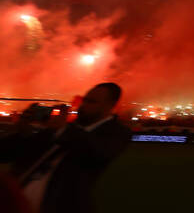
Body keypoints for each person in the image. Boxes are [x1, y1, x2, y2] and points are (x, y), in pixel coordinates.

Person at [0, 82, 132, 213]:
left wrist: (62, 129)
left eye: (91, 102)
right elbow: (12, 152)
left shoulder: (117, 132)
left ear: (110, 106)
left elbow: (98, 152)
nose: (83, 105)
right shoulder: (66, 129)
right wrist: (24, 130)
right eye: (84, 100)